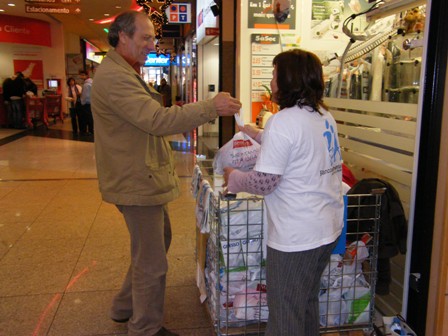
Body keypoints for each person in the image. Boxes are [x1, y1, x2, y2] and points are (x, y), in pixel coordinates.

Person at [91, 10, 241, 336]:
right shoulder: (115, 78)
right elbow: (156, 120)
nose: (151, 44)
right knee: (151, 261)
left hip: (140, 175)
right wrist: (210, 107)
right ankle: (145, 327)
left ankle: (124, 305)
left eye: (152, 37)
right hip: (134, 179)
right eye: (145, 37)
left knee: (159, 240)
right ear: (122, 37)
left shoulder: (124, 72)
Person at [223, 49, 344, 336]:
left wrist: (235, 178)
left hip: (296, 237)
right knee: (306, 302)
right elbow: (299, 147)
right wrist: (256, 133)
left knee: (285, 311)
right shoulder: (323, 115)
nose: (272, 82)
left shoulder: (284, 120)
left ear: (288, 80)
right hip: (326, 228)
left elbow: (265, 182)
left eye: (275, 76)